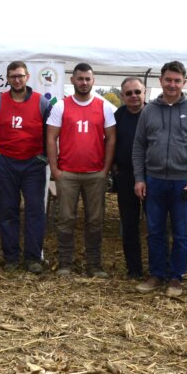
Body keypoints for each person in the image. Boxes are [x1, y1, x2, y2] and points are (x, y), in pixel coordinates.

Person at [132, 62, 187, 297]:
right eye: (168, 80)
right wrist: (139, 178)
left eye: (177, 81)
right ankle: (156, 274)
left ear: (184, 83)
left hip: (182, 182)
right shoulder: (149, 110)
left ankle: (176, 277)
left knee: (181, 232)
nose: (172, 84)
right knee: (154, 230)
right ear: (161, 81)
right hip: (154, 180)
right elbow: (139, 146)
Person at [0, 61, 54, 273]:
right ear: (7, 78)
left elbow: (50, 134)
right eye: (13, 76)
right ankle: (11, 257)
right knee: (7, 210)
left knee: (35, 210)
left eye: (20, 75)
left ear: (28, 77)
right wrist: (0, 155)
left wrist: (42, 157)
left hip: (33, 164)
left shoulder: (42, 103)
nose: (17, 79)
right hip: (6, 164)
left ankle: (33, 258)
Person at [46, 63, 116, 277]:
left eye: (88, 79)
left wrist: (106, 169)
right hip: (67, 174)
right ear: (73, 80)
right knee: (66, 218)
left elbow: (112, 137)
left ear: (93, 81)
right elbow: (51, 137)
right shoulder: (61, 106)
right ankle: (65, 262)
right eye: (80, 78)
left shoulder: (104, 106)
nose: (84, 83)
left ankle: (94, 264)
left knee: (95, 220)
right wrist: (55, 170)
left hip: (95, 174)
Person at [112, 77, 147, 279]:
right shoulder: (118, 116)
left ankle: (158, 269)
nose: (133, 96)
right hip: (126, 177)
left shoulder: (154, 113)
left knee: (155, 225)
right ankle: (134, 269)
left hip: (152, 177)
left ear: (144, 93)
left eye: (137, 92)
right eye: (128, 93)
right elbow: (110, 142)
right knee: (129, 224)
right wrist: (115, 169)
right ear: (122, 96)